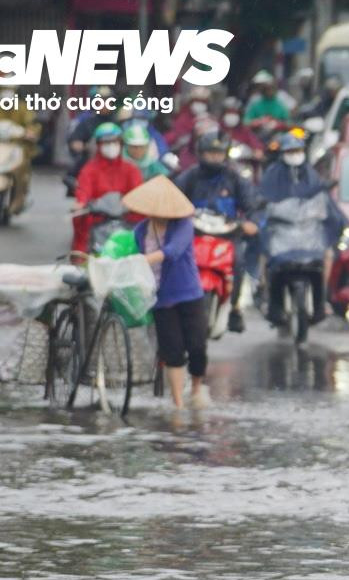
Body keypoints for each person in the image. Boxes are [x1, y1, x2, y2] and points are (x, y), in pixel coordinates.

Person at [125, 176, 210, 409]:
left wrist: (144, 260)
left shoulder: (183, 225)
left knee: (197, 347)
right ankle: (178, 403)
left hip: (188, 294)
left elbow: (173, 251)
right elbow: (133, 253)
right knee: (172, 350)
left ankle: (196, 388)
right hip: (160, 298)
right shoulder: (141, 231)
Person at [174, 132, 261, 332]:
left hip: (227, 235)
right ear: (201, 153)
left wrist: (252, 222)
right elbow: (174, 198)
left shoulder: (234, 178)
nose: (214, 157)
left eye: (219, 153)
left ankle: (235, 308)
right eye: (210, 153)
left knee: (238, 261)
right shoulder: (190, 177)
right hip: (195, 233)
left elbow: (252, 205)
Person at [256, 132, 344, 328]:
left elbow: (321, 198)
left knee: (328, 253)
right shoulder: (272, 175)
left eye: (298, 151)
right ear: (283, 154)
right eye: (290, 151)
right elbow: (262, 199)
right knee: (264, 251)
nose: (295, 155)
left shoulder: (310, 174)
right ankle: (265, 294)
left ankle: (322, 299)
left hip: (307, 231)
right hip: (280, 230)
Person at [71, 122, 143, 256]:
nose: (111, 146)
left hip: (126, 220)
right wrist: (81, 203)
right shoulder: (89, 170)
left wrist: (136, 204)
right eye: (106, 143)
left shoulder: (131, 169)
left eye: (114, 142)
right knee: (80, 222)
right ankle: (80, 260)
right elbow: (83, 191)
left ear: (121, 144)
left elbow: (138, 192)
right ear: (98, 145)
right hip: (98, 220)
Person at [0, 88, 40, 215]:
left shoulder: (23, 109)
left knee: (23, 168)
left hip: (16, 146)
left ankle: (21, 194)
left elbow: (32, 124)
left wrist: (31, 132)